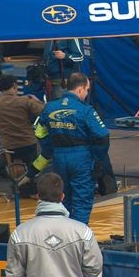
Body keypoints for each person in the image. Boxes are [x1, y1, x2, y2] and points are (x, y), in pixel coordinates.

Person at [36, 72, 111, 224]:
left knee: (61, 198)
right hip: (81, 158)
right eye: (87, 90)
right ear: (80, 89)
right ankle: (77, 237)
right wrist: (98, 158)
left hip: (58, 158)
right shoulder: (86, 110)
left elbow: (39, 131)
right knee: (82, 201)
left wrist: (49, 148)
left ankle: (62, 234)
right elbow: (102, 136)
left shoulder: (50, 107)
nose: (87, 93)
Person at [0, 75, 47, 194]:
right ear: (15, 86)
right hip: (27, 142)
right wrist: (37, 101)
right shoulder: (24, 101)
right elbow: (45, 111)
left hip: (8, 145)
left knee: (14, 167)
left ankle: (18, 187)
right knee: (33, 167)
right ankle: (31, 187)